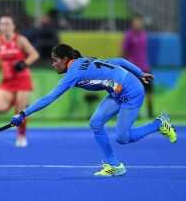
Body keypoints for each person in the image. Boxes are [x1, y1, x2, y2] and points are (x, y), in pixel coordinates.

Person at [11, 44, 177, 176]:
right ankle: (114, 165)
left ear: (65, 59)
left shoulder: (72, 74)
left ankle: (159, 124)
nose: (53, 64)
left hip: (132, 92)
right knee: (96, 123)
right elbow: (119, 61)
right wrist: (140, 73)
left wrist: (24, 113)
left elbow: (49, 97)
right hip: (118, 91)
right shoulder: (84, 61)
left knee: (123, 138)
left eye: (55, 60)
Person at [0, 14, 40, 147]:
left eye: (7, 24)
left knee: (20, 112)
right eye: (2, 24)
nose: (4, 27)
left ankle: (21, 135)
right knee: (0, 108)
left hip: (22, 79)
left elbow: (34, 54)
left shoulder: (20, 40)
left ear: (13, 26)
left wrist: (24, 63)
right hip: (7, 81)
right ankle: (18, 103)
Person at [122, 15, 154, 118]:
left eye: (139, 22)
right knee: (135, 93)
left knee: (149, 92)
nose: (137, 24)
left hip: (145, 68)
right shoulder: (128, 35)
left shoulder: (144, 34)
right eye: (135, 22)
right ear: (132, 23)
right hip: (134, 70)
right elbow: (124, 52)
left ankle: (150, 113)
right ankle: (136, 114)